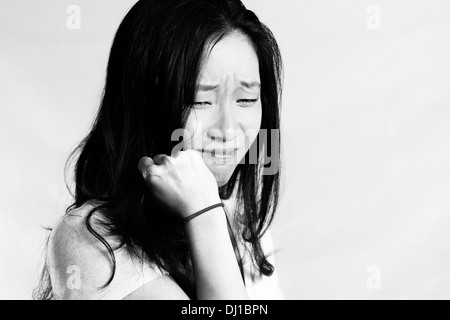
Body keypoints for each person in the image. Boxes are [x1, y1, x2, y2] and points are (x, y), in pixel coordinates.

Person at [34, 0, 284, 300]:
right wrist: (202, 212)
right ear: (145, 102)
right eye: (199, 100)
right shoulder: (90, 239)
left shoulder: (240, 223)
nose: (229, 130)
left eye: (246, 100)